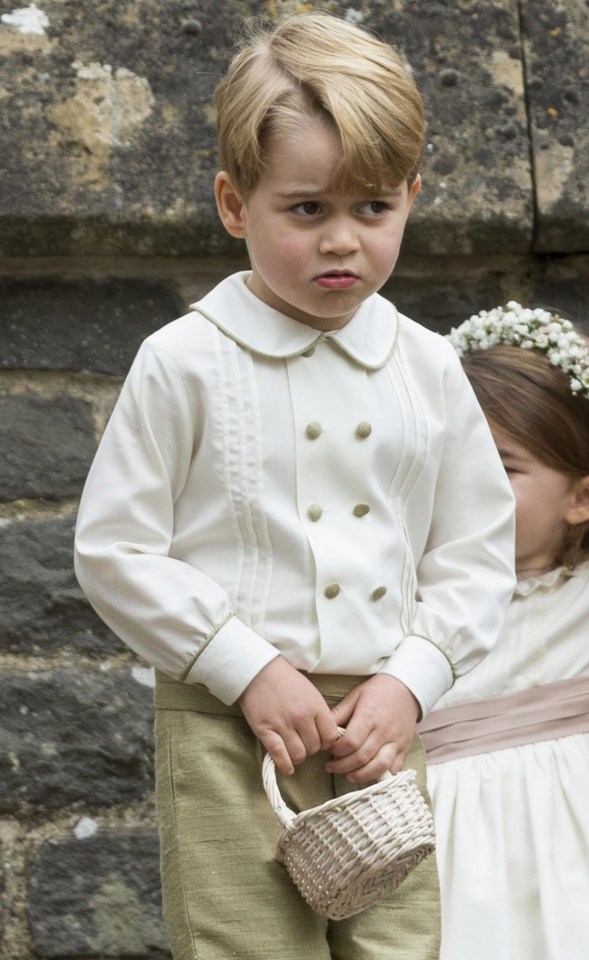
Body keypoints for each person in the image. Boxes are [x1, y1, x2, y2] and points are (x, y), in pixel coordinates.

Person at [74, 12, 515, 960]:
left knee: (401, 947)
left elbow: (476, 552)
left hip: (379, 732)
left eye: (373, 209)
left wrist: (409, 682)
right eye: (306, 210)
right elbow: (114, 550)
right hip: (232, 729)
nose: (342, 242)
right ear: (236, 205)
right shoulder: (184, 360)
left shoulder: (428, 366)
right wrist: (248, 667)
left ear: (411, 197)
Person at [419, 301, 589, 960]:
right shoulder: (408, 612)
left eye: (503, 467)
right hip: (452, 871)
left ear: (579, 498)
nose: (470, 490)